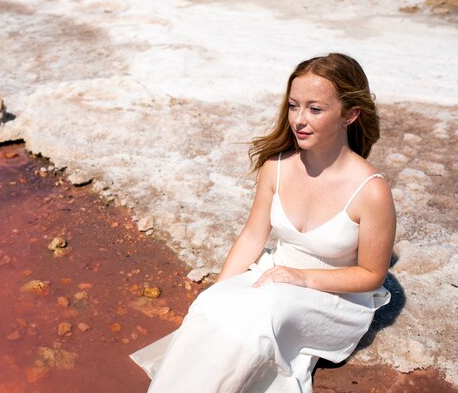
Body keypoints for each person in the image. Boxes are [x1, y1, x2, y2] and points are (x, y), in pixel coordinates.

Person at [130, 53, 396, 392]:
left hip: (336, 299)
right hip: (275, 276)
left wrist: (300, 277)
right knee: (211, 306)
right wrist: (219, 289)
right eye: (294, 106)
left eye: (315, 109)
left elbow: (372, 276)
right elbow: (254, 235)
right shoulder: (277, 166)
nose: (299, 120)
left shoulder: (371, 191)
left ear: (350, 114)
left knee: (266, 311)